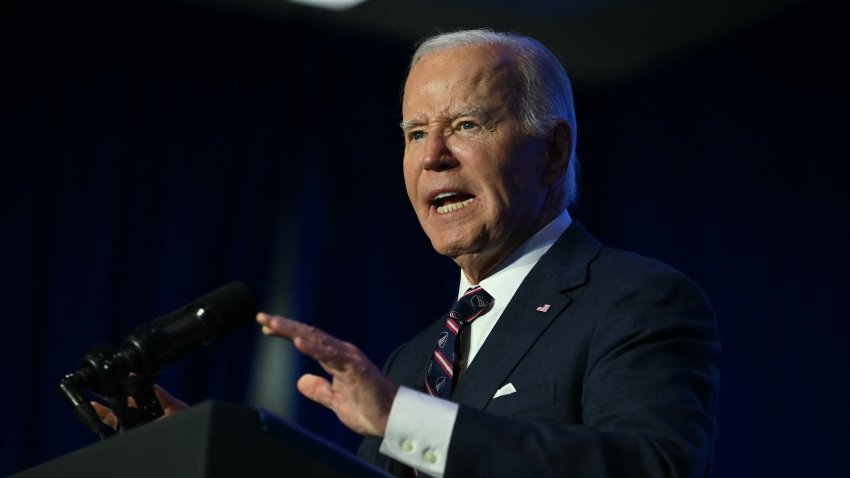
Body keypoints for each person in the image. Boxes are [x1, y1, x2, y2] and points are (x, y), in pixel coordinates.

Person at [99, 28, 721, 478]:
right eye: (416, 133)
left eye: (467, 125)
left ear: (553, 153)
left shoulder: (634, 300)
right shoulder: (412, 359)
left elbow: (653, 467)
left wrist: (406, 420)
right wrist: (209, 452)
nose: (432, 157)